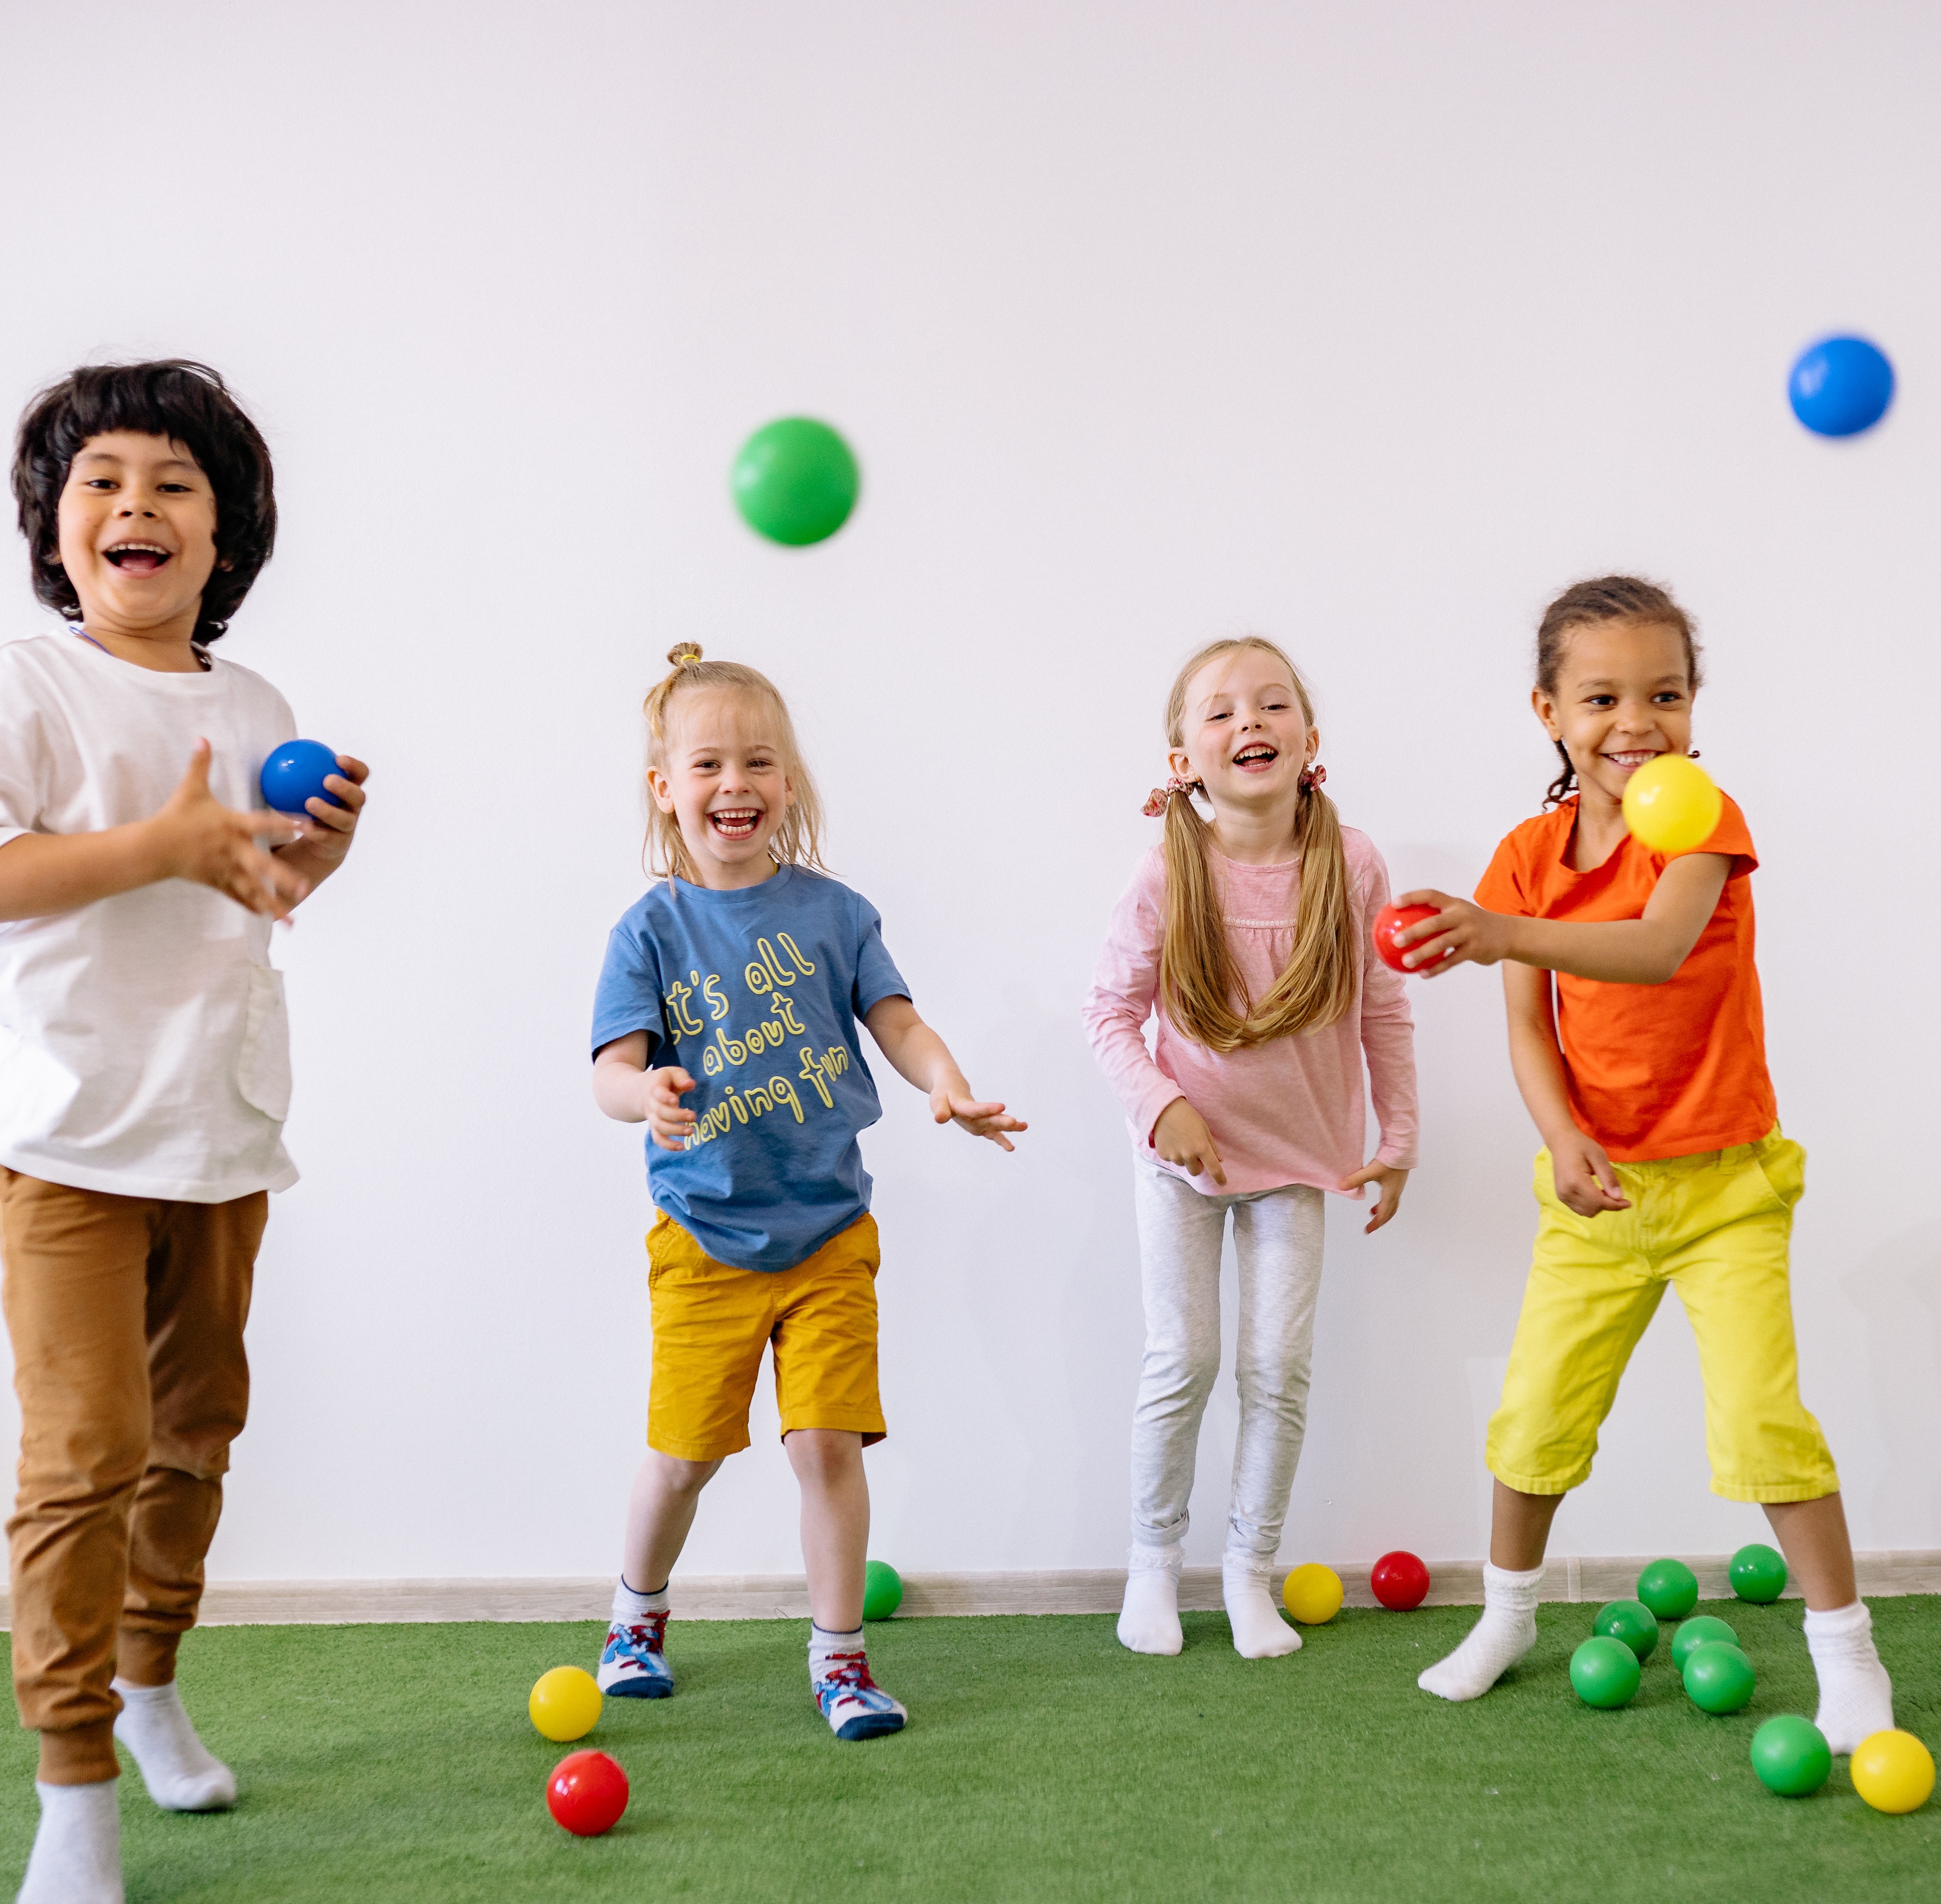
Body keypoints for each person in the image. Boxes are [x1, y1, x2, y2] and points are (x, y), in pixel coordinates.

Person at [0, 362, 371, 1904]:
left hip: (218, 1127)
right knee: (82, 1455)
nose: (137, 507)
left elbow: (254, 900)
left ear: (223, 536)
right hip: (65, 1137)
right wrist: (155, 842)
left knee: (192, 1440)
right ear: (58, 529)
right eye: (102, 480)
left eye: (174, 485)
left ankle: (153, 1682)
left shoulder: (256, 708)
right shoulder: (21, 688)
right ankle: (73, 1783)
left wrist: (309, 859)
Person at [1392, 575, 1893, 1749]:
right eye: (1603, 695)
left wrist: (1497, 928)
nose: (1636, 720)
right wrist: (1561, 1139)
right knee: (1533, 1416)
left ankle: (1846, 1648)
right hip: (1597, 1191)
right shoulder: (1526, 852)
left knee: (1766, 1420)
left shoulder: (1703, 820)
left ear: (1693, 704)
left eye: (1664, 693)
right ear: (1548, 711)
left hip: (1726, 1187)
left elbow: (1656, 949)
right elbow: (1528, 1026)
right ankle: (1506, 1615)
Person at [589, 644, 1023, 1740]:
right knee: (684, 1456)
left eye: (758, 762)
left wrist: (948, 1082)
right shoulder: (649, 928)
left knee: (824, 1443)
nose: (734, 784)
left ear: (790, 783)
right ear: (666, 788)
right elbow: (607, 1072)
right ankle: (635, 1616)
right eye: (708, 764)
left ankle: (841, 1660)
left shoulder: (837, 913)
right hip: (703, 1236)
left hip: (831, 1232)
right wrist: (647, 1094)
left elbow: (898, 1021)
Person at [1083, 636, 1418, 1658]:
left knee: (1276, 1366)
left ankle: (1246, 1572)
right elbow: (1108, 1012)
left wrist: (1396, 1137)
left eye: (1272, 706)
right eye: (1221, 712)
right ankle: (1152, 1565)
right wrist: (1160, 1107)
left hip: (1297, 1160)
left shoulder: (1350, 862)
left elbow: (1386, 1009)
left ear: (1310, 741)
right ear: (1181, 758)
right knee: (1181, 1357)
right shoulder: (1166, 870)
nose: (1249, 723)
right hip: (1184, 1159)